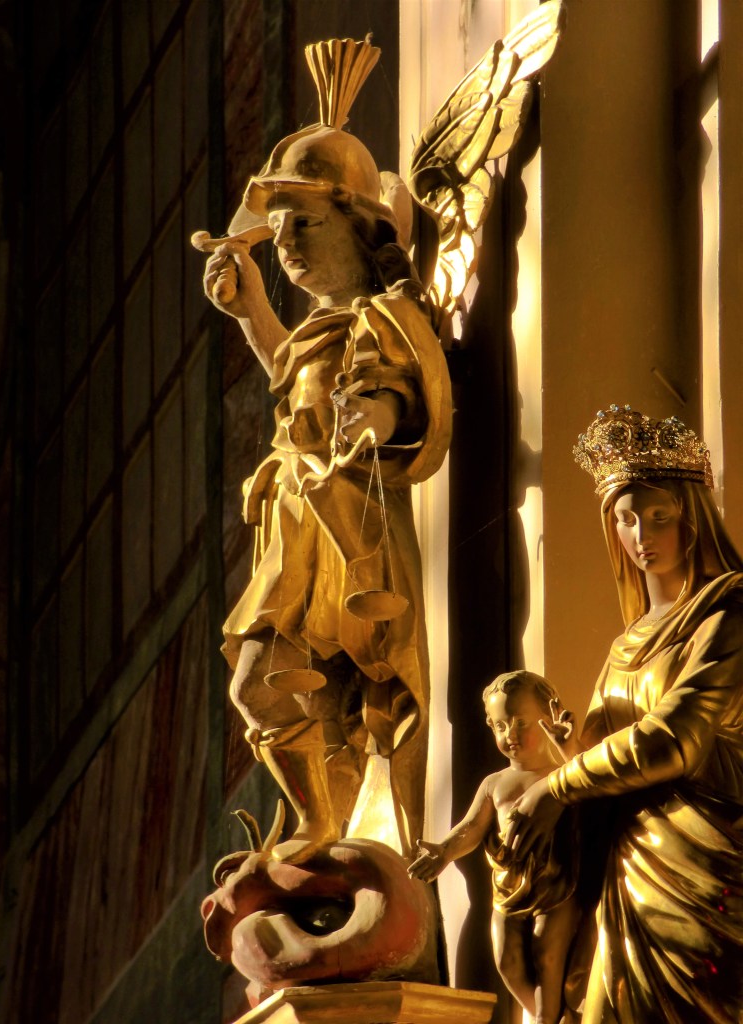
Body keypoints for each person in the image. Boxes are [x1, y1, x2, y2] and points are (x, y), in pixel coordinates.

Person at [202, 85, 452, 864]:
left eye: (305, 225)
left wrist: (378, 414)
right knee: (266, 686)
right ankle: (324, 821)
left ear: (359, 223)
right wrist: (251, 310)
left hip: (349, 531)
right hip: (295, 524)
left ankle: (329, 826)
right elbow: (294, 379)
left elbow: (401, 386)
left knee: (291, 682)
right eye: (278, 233)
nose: (287, 246)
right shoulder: (320, 326)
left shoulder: (382, 316)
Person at [504, 405, 743, 1023]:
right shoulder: (625, 646)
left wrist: (557, 785)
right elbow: (593, 766)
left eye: (660, 517)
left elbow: (674, 739)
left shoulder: (727, 615)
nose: (642, 536)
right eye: (626, 519)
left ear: (693, 517)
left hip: (707, 871)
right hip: (626, 874)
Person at [409, 670, 581, 1024]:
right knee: (506, 959)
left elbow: (589, 785)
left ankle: (546, 1017)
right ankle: (547, 1016)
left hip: (555, 886)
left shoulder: (561, 776)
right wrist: (445, 850)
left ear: (548, 717)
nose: (510, 735)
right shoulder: (495, 783)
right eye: (500, 726)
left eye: (521, 723)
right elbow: (472, 827)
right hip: (506, 889)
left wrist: (569, 750)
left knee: (547, 955)